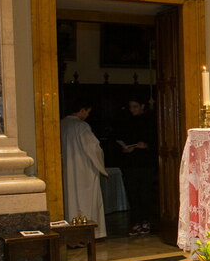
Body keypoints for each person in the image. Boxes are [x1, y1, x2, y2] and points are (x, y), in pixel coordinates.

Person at [60, 100, 108, 239]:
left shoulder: (62, 124)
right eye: (87, 112)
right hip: (84, 169)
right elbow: (93, 148)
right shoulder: (82, 126)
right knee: (87, 200)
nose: (87, 115)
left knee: (71, 199)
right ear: (81, 110)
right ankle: (90, 233)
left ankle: (72, 233)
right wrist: (101, 165)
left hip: (67, 169)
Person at [115, 97, 157, 237]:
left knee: (145, 193)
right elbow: (119, 137)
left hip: (145, 164)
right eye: (130, 107)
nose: (132, 109)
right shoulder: (126, 121)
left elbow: (156, 140)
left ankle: (146, 221)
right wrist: (124, 147)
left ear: (142, 106)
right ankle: (136, 222)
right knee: (133, 194)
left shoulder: (150, 120)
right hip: (130, 163)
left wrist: (146, 145)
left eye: (135, 106)